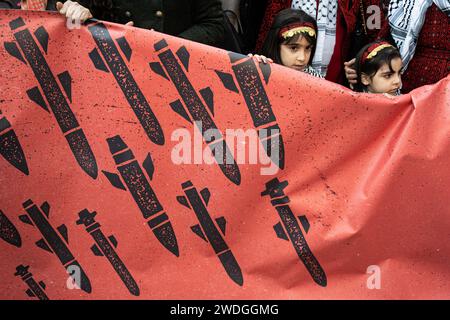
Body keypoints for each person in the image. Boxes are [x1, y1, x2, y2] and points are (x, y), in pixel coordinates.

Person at [55, 0, 226, 47]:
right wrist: (77, 14)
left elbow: (214, 24)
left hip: (177, 72)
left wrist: (166, 44)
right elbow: (83, 20)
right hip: (116, 74)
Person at [258, 8, 323, 77]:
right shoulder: (260, 69)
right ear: (276, 45)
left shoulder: (316, 80)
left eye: (308, 48)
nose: (302, 58)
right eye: (293, 48)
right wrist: (253, 65)